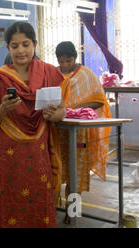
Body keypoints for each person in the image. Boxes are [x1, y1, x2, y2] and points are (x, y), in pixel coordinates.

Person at [0, 21, 69, 228]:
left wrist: (52, 114)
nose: (21, 50)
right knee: (5, 206)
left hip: (36, 152)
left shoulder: (49, 73)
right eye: (15, 46)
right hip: (2, 156)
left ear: (35, 44)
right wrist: (2, 110)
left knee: (37, 203)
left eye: (25, 44)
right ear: (8, 48)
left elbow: (62, 111)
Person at [55, 41, 112, 224]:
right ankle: (54, 207)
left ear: (75, 58)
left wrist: (75, 109)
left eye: (68, 61)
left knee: (75, 177)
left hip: (78, 134)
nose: (64, 65)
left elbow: (98, 101)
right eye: (61, 61)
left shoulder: (86, 75)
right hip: (58, 132)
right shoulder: (55, 74)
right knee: (55, 170)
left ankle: (72, 213)